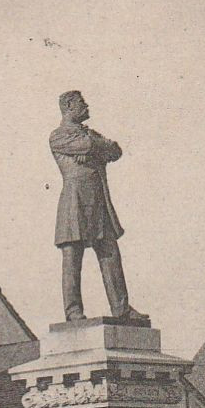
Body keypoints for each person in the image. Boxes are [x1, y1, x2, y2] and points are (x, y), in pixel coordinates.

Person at [50, 90, 147, 323]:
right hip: (75, 203)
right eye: (82, 103)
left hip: (99, 203)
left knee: (110, 253)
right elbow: (91, 145)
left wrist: (94, 149)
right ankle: (73, 312)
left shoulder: (89, 135)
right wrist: (96, 149)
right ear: (69, 106)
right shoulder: (58, 136)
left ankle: (121, 309)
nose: (87, 106)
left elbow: (115, 150)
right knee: (72, 258)